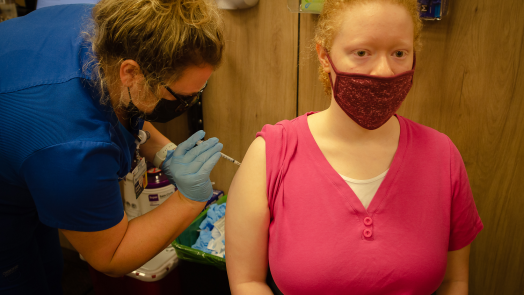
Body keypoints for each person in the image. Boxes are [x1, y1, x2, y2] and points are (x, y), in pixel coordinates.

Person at [225, 0, 483, 294]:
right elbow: (247, 281)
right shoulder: (271, 154)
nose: (384, 71)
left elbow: (455, 281)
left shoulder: (443, 156)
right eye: (362, 53)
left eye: (399, 53)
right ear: (324, 56)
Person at [0, 0, 225, 293]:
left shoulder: (110, 26)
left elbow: (123, 102)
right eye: (180, 97)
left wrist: (165, 153)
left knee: (49, 265)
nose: (189, 104)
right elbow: (111, 257)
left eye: (198, 92)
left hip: (24, 148)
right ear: (130, 73)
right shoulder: (73, 148)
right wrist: (189, 201)